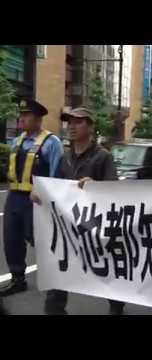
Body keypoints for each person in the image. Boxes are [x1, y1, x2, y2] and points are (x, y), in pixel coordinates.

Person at [32, 107, 126, 315]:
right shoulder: (65, 157)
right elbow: (54, 185)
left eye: (78, 122)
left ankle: (117, 306)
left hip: (96, 228)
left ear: (90, 127)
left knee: (107, 270)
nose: (72, 127)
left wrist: (96, 187)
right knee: (59, 271)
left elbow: (115, 192)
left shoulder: (103, 157)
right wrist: (40, 194)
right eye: (69, 122)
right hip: (67, 226)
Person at [0, 99, 64, 297]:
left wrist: (48, 196)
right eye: (21, 116)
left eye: (26, 116)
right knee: (11, 239)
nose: (22, 119)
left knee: (42, 240)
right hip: (14, 197)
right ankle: (18, 279)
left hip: (37, 200)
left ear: (38, 119)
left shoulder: (52, 143)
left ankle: (58, 279)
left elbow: (57, 174)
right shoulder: (17, 141)